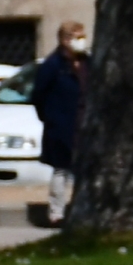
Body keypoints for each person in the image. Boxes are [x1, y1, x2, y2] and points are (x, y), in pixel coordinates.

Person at [30, 22, 89, 225]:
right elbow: (38, 94)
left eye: (83, 36)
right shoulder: (53, 65)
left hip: (84, 123)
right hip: (61, 125)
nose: (82, 41)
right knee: (61, 169)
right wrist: (50, 117)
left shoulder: (86, 63)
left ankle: (81, 209)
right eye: (77, 37)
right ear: (65, 40)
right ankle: (57, 213)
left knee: (82, 170)